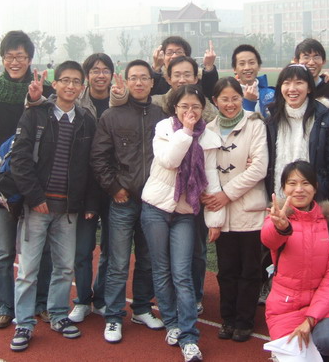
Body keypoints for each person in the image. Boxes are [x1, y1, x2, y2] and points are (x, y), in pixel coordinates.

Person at [111, 54, 217, 316]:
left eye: (187, 74)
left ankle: (190, 303)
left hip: (188, 203)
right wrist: (118, 96)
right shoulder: (161, 111)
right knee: (144, 261)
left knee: (190, 258)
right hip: (154, 197)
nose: (182, 79)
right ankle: (146, 312)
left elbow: (214, 160)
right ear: (167, 79)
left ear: (196, 77)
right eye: (176, 75)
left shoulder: (206, 115)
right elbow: (131, 103)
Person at [9, 61, 98, 351]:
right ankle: (24, 323)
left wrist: (89, 203)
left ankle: (58, 315)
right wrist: (35, 198)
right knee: (28, 270)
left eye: (76, 82)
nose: (71, 86)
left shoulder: (86, 120)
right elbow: (20, 160)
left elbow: (91, 166)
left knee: (64, 267)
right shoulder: (35, 114)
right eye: (65, 80)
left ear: (82, 87)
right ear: (55, 84)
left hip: (68, 210)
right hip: (38, 207)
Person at [0, 30, 53, 330]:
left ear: (30, 59)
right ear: (2, 59)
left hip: (39, 184)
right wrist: (5, 164)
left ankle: (41, 303)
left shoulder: (45, 91)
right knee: (4, 252)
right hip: (3, 184)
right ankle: (5, 306)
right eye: (10, 56)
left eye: (21, 56)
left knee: (43, 250)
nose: (15, 62)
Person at [28, 53, 115, 323]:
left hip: (114, 187)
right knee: (81, 250)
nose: (100, 75)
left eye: (105, 70)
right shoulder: (76, 103)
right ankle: (82, 300)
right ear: (87, 77)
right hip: (84, 189)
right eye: (95, 70)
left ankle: (101, 299)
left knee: (112, 251)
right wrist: (32, 98)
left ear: (112, 75)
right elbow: (47, 105)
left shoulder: (120, 100)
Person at [140, 85, 225, 362]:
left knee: (182, 274)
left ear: (203, 109)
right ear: (175, 107)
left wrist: (215, 221)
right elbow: (168, 160)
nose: (190, 111)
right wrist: (186, 132)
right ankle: (172, 323)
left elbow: (211, 179)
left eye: (196, 107)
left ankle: (189, 336)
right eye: (184, 106)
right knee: (161, 270)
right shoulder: (164, 128)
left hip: (185, 212)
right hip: (155, 207)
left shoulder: (209, 137)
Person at [90, 60, 166, 343]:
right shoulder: (111, 116)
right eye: (133, 77)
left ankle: (142, 308)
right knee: (118, 262)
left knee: (147, 259)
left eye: (144, 77)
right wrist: (114, 188)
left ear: (151, 82)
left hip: (153, 202)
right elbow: (99, 157)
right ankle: (113, 316)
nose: (139, 83)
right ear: (125, 81)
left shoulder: (162, 116)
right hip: (122, 202)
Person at [262, 160, 329, 362]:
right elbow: (268, 238)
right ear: (283, 188)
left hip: (326, 305)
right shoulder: (277, 218)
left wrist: (310, 319)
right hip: (285, 305)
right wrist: (281, 227)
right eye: (292, 183)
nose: (299, 189)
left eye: (305, 183)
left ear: (315, 187)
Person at [204, 77, 268, 342]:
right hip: (222, 213)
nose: (230, 104)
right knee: (227, 269)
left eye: (235, 98)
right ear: (215, 101)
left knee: (250, 270)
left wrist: (226, 193)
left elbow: (259, 167)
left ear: (242, 98)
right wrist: (215, 197)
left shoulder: (255, 124)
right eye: (224, 99)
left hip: (249, 209)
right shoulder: (208, 129)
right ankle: (228, 319)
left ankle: (244, 320)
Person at [265, 64, 329, 218]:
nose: (292, 89)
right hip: (279, 199)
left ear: (309, 88)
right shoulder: (271, 119)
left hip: (316, 199)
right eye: (286, 83)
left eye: (299, 83)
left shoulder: (324, 118)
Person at [151, 36, 218, 98]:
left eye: (179, 52)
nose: (174, 56)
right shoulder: (159, 78)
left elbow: (212, 94)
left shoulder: (199, 77)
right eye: (169, 53)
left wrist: (209, 67)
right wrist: (156, 68)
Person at [294, 38, 329, 115]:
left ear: (324, 61)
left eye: (316, 57)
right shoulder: (291, 90)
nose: (311, 62)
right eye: (306, 57)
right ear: (296, 61)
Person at [235, 44, 275, 118]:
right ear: (235, 69)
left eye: (251, 62)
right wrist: (248, 103)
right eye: (242, 64)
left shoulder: (271, 94)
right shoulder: (230, 96)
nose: (247, 68)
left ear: (259, 66)